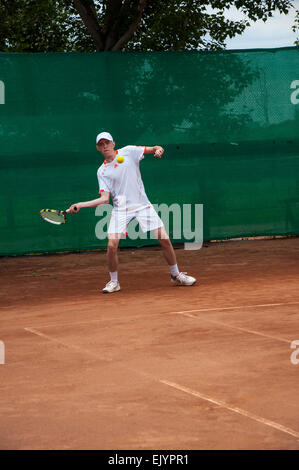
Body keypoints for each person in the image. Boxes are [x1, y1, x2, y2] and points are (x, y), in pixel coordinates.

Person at [68, 132, 196, 293]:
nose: (105, 146)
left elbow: (154, 148)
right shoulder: (102, 171)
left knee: (164, 239)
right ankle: (114, 282)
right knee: (111, 246)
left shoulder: (129, 151)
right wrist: (81, 204)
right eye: (101, 144)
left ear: (113, 143)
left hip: (142, 205)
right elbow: (104, 199)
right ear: (98, 148)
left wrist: (158, 149)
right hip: (120, 209)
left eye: (107, 142)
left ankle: (175, 275)